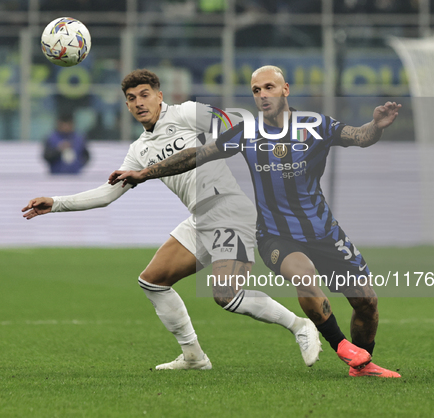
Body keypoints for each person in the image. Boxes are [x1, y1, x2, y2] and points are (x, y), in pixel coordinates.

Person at [109, 66, 402, 378]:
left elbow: (359, 137)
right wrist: (144, 173)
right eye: (256, 90)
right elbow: (197, 154)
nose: (263, 95)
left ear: (285, 89)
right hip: (275, 235)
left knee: (366, 302)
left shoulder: (315, 125)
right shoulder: (247, 131)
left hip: (324, 232)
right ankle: (342, 346)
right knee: (304, 276)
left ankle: (363, 365)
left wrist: (376, 126)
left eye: (269, 88)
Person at [22, 69, 323, 370]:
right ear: (126, 106)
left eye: (144, 95)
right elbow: (107, 194)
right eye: (131, 99)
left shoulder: (187, 112)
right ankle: (193, 355)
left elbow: (236, 125)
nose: (139, 103)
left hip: (229, 208)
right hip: (201, 217)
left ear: (159, 95)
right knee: (152, 281)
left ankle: (301, 326)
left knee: (226, 295)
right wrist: (57, 203)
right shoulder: (138, 150)